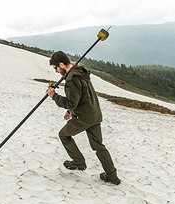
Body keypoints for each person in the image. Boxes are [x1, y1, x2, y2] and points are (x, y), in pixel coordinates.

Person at [46, 51, 121, 185]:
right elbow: (82, 96)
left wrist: (53, 95)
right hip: (94, 114)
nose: (56, 71)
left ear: (62, 64)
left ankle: (79, 162)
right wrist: (71, 111)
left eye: (56, 68)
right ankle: (112, 175)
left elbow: (71, 102)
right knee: (99, 146)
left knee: (64, 135)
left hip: (83, 118)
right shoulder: (80, 72)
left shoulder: (71, 79)